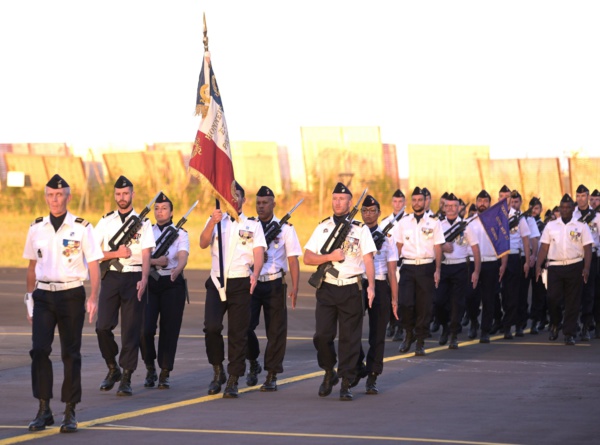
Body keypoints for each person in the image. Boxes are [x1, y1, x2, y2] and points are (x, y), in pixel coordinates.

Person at [23, 174, 103, 433]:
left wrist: (93, 296)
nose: (54, 200)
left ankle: (70, 411)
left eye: (59, 195)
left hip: (71, 295)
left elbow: (93, 264)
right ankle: (43, 409)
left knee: (71, 353)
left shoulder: (81, 227)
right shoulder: (36, 228)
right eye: (50, 195)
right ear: (45, 197)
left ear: (68, 197)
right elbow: (31, 266)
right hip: (43, 296)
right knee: (39, 350)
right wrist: (28, 300)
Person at [304, 182, 376, 401]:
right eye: (335, 198)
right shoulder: (322, 227)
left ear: (350, 202)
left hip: (351, 288)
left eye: (342, 199)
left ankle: (345, 382)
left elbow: (368, 259)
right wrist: (329, 257)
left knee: (349, 339)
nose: (338, 202)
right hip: (327, 287)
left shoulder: (360, 230)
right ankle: (328, 371)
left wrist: (371, 286)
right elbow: (308, 257)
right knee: (322, 335)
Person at [199, 182, 266, 398]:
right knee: (211, 327)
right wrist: (212, 222)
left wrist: (256, 273)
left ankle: (233, 378)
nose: (233, 199)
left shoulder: (253, 225)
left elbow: (258, 252)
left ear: (243, 199)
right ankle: (217, 370)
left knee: (237, 333)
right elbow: (202, 243)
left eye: (236, 195)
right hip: (217, 282)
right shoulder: (218, 221)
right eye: (229, 195)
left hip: (240, 282)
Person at [94, 176, 155, 396]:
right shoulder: (106, 221)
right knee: (102, 327)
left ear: (132, 194)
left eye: (126, 193)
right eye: (118, 194)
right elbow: (93, 252)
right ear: (114, 195)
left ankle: (127, 376)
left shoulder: (143, 222)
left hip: (134, 277)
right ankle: (113, 368)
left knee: (130, 329)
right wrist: (115, 254)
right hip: (111, 277)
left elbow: (147, 253)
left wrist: (145, 278)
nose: (122, 197)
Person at [246, 185, 301, 392]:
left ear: (273, 204)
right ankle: (253, 361)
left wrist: (295, 287)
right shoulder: (249, 226)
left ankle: (272, 374)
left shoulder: (286, 229)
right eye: (258, 203)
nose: (261, 207)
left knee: (276, 331)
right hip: (251, 281)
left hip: (275, 283)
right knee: (244, 326)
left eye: (265, 203)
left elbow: (293, 259)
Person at [140, 193, 190, 389]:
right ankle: (150, 365)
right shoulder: (146, 231)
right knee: (145, 329)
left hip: (171, 282)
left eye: (164, 208)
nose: (160, 212)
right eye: (157, 208)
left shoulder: (180, 233)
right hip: (150, 282)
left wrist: (178, 268)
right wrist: (154, 261)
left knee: (169, 329)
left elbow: (182, 254)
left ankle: (165, 371)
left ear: (171, 212)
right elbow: (139, 256)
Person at [393, 187, 445, 356]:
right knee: (405, 304)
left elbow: (438, 247)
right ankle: (409, 333)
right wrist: (393, 270)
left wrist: (437, 269)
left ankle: (420, 341)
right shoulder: (403, 222)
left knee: (425, 306)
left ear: (425, 202)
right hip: (407, 267)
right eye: (414, 200)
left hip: (426, 267)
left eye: (420, 200)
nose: (417, 203)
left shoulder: (433, 222)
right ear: (411, 202)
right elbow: (398, 247)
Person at [354, 195, 398, 394]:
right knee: (351, 328)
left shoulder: (388, 237)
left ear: (379, 213)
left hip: (379, 285)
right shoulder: (354, 233)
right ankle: (358, 364)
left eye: (372, 211)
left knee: (377, 333)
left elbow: (391, 271)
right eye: (365, 211)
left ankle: (373, 375)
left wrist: (395, 298)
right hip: (357, 283)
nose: (368, 214)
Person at [536, 194, 592, 345]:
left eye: (568, 207)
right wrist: (538, 265)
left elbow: (587, 248)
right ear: (559, 209)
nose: (565, 210)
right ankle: (555, 322)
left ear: (573, 209)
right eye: (562, 207)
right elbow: (544, 247)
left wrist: (586, 268)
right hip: (555, 266)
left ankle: (569, 333)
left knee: (572, 302)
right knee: (552, 298)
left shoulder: (581, 226)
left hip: (575, 265)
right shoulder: (551, 225)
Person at [435, 193, 481, 349]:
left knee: (457, 303)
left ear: (459, 207)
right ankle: (445, 326)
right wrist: (442, 246)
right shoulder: (438, 225)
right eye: (447, 206)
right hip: (443, 267)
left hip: (460, 267)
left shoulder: (466, 225)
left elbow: (475, 249)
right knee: (438, 301)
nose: (450, 209)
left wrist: (476, 271)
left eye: (454, 206)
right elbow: (431, 246)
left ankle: (453, 335)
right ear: (444, 207)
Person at [465, 190, 508, 343]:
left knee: (489, 298)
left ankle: (485, 330)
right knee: (470, 296)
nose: (482, 203)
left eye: (485, 201)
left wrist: (503, 263)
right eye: (479, 200)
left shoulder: (496, 221)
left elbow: (503, 243)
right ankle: (473, 321)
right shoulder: (469, 222)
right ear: (476, 203)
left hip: (490, 262)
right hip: (472, 263)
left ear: (490, 203)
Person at [501, 190, 531, 339]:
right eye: (505, 198)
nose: (508, 201)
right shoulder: (497, 216)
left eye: (510, 199)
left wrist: (526, 261)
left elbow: (525, 240)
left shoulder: (519, 218)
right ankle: (504, 322)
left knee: (514, 293)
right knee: (503, 294)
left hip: (513, 257)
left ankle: (512, 326)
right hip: (498, 257)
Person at [573, 184, 600, 341]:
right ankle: (574, 323)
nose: (580, 199)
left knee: (590, 293)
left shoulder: (596, 216)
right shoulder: (573, 214)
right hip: (576, 257)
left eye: (583, 196)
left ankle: (586, 325)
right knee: (574, 292)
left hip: (592, 257)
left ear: (588, 197)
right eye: (578, 196)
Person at [381, 189, 405, 341]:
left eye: (400, 201)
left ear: (405, 203)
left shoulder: (409, 220)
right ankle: (392, 322)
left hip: (403, 264)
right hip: (389, 266)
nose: (397, 204)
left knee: (402, 297)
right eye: (395, 201)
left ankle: (400, 326)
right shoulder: (385, 222)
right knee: (389, 295)